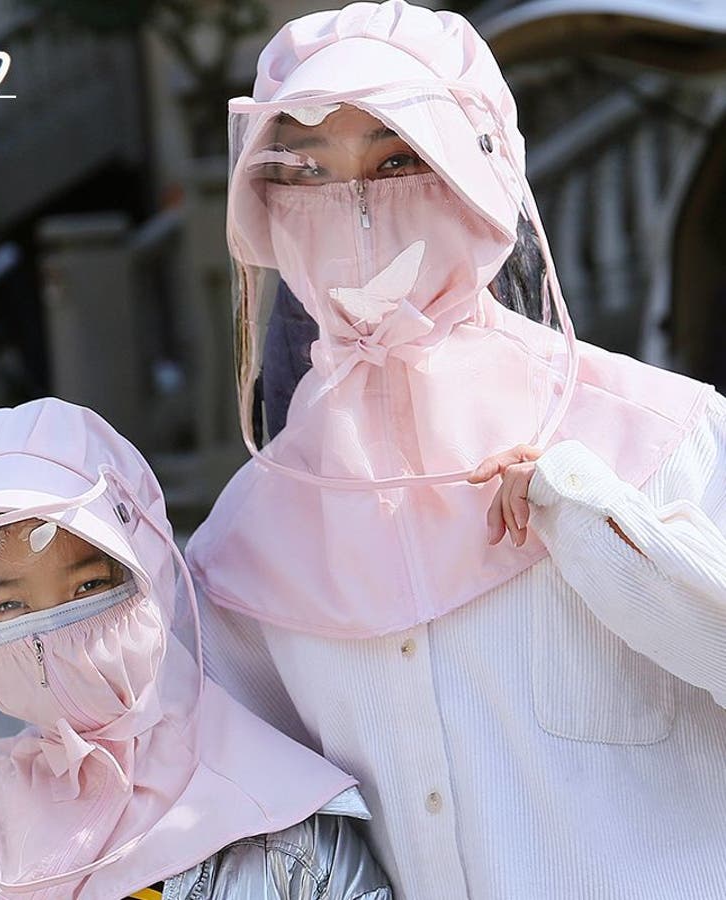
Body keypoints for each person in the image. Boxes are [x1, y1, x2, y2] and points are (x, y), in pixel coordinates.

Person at [185, 2, 726, 899]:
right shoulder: (245, 544)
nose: (356, 206)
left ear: (483, 170)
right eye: (307, 170)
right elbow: (215, 815)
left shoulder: (664, 433)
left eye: (398, 160)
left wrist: (614, 535)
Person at [0, 398, 392, 899]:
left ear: (151, 573)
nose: (49, 631)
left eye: (89, 586)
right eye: (8, 606)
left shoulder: (283, 833)